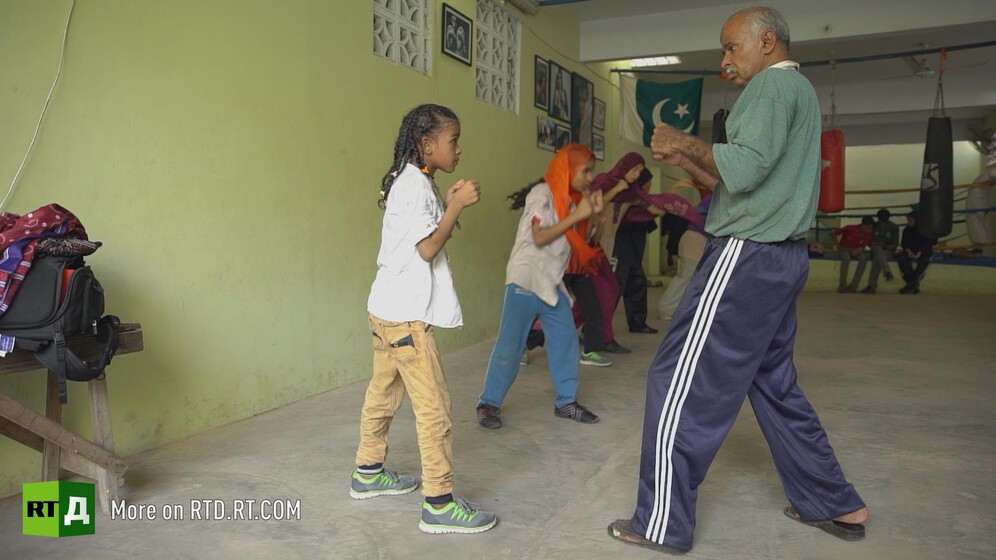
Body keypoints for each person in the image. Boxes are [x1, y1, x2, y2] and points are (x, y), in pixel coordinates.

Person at [607, 7, 867, 553]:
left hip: (745, 257)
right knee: (772, 384)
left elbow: (744, 167)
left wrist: (681, 140)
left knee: (677, 380)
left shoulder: (772, 87)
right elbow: (738, 182)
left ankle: (662, 523)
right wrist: (691, 158)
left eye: (732, 47)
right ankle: (835, 500)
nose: (725, 60)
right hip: (781, 259)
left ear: (766, 41)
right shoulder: (798, 92)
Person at [354, 104, 496, 535]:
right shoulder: (416, 184)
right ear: (426, 144)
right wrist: (458, 207)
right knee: (434, 408)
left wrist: (448, 201)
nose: (458, 149)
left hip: (385, 310)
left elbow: (421, 237)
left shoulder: (412, 180)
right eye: (452, 141)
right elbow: (427, 249)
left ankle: (368, 472)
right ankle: (438, 501)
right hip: (406, 319)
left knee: (383, 392)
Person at [476, 144, 603, 429]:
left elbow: (590, 241)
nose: (591, 177)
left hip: (551, 282)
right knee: (510, 345)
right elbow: (539, 237)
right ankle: (488, 404)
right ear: (568, 169)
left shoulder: (572, 201)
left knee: (566, 341)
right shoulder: (541, 194)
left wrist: (596, 215)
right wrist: (578, 214)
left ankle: (566, 402)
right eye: (586, 170)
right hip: (525, 277)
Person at [594, 153, 663, 334]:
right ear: (624, 168)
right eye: (634, 170)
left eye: (640, 171)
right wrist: (617, 189)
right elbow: (594, 204)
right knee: (603, 291)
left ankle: (602, 334)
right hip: (596, 242)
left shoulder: (632, 191)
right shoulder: (605, 182)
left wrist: (670, 204)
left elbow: (651, 206)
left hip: (616, 243)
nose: (637, 175)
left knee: (619, 287)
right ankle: (597, 333)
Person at [656, 194, 710, 321]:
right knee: (685, 277)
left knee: (689, 277)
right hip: (695, 239)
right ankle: (666, 308)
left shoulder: (710, 200)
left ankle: (671, 307)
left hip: (694, 238)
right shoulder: (716, 199)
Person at [831, 216, 874, 293]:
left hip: (857, 250)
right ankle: (842, 286)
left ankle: (853, 286)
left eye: (871, 228)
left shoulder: (869, 234)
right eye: (868, 228)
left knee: (864, 258)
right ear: (863, 226)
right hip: (844, 249)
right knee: (846, 258)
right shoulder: (850, 229)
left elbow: (864, 245)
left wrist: (859, 250)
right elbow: (833, 234)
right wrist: (837, 245)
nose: (869, 230)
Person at [897, 211, 936, 294]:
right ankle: (913, 283)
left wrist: (920, 252)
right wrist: (908, 251)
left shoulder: (925, 230)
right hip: (910, 251)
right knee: (901, 258)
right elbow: (904, 243)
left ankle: (911, 284)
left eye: (910, 220)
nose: (908, 222)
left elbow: (929, 243)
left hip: (923, 251)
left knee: (924, 261)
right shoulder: (907, 230)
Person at [862, 208, 899, 293]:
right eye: (881, 222)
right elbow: (868, 242)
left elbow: (894, 245)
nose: (882, 224)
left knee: (877, 259)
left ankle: (871, 286)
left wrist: (884, 246)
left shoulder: (893, 227)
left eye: (884, 222)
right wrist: (876, 244)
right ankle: (887, 272)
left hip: (888, 251)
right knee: (878, 250)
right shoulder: (874, 226)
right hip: (875, 249)